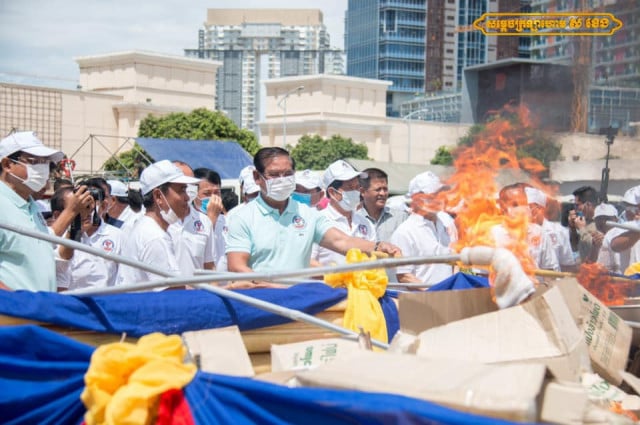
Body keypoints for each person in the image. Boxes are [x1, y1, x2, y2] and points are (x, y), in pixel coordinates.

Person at [225, 148, 401, 287]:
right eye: (274, 175)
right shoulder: (242, 217)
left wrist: (378, 246)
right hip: (261, 300)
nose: (282, 180)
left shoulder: (307, 214)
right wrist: (269, 286)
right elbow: (236, 266)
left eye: (287, 174)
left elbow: (342, 242)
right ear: (257, 177)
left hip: (299, 301)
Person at [116, 160, 200, 287]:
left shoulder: (148, 228)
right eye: (181, 190)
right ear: (158, 196)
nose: (187, 197)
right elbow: (173, 294)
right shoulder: (154, 237)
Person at [0, 131, 65, 291]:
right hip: (11, 312)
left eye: (46, 163)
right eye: (34, 161)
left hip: (38, 311)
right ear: (8, 165)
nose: (43, 169)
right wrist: (17, 302)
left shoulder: (31, 205)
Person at [51, 184, 123, 290]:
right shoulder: (51, 242)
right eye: (77, 208)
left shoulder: (118, 235)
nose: (87, 213)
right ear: (58, 215)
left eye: (88, 207)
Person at [389, 171, 454, 285]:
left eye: (440, 194)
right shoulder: (405, 232)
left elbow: (453, 262)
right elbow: (404, 276)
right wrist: (432, 293)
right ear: (416, 198)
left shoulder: (445, 224)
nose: (438, 198)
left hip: (447, 297)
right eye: (432, 195)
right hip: (420, 299)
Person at [311, 160, 377, 266]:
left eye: (357, 187)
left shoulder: (366, 223)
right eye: (350, 188)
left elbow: (373, 259)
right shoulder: (317, 222)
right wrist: (336, 275)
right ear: (333, 193)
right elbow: (308, 261)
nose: (356, 192)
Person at [492, 183, 559, 271]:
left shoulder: (539, 232)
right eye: (515, 204)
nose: (522, 207)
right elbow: (482, 274)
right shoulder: (492, 235)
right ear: (502, 207)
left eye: (524, 202)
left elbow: (549, 269)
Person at [526, 187, 576, 272]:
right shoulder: (520, 232)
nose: (525, 210)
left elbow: (567, 265)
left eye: (529, 207)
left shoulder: (559, 231)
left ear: (540, 208)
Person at [357, 168, 408, 243]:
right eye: (378, 189)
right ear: (363, 191)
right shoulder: (354, 220)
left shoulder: (401, 219)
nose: (383, 193)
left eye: (385, 189)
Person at [567, 186, 603, 264]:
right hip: (585, 269)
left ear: (588, 204)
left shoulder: (601, 222)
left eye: (577, 205)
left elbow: (594, 246)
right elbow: (575, 247)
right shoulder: (584, 221)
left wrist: (582, 228)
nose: (575, 209)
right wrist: (572, 228)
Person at [594, 203, 622, 274]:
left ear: (616, 219)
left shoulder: (619, 235)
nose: (603, 222)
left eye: (607, 218)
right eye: (599, 218)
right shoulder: (593, 238)